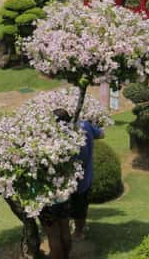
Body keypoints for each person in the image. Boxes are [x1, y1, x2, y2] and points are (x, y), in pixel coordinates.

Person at [38, 108, 76, 259]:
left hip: (48, 197)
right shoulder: (71, 140)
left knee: (53, 235)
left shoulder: (45, 142)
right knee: (65, 230)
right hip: (64, 195)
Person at [64, 109, 105, 241]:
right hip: (85, 177)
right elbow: (101, 134)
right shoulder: (85, 125)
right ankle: (78, 232)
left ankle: (72, 233)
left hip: (65, 179)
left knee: (67, 207)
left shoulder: (60, 134)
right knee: (81, 206)